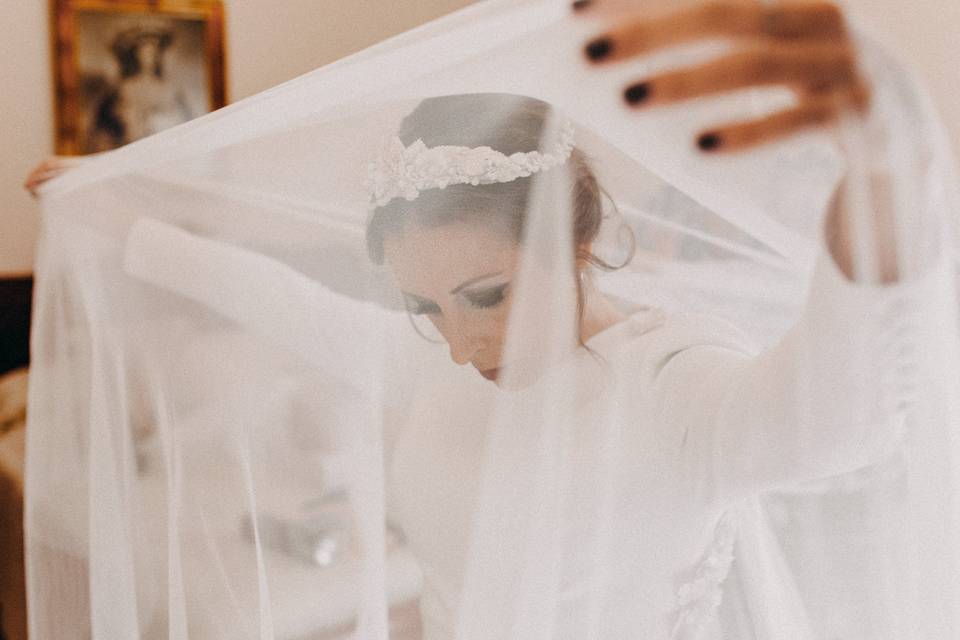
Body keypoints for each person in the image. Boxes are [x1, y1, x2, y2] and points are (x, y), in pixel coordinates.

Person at [23, 1, 952, 639]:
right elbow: (278, 296)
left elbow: (839, 416)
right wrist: (112, 214)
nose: (462, 346)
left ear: (577, 241)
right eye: (424, 307)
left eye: (488, 295)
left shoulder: (674, 382)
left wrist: (889, 175)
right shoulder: (420, 361)